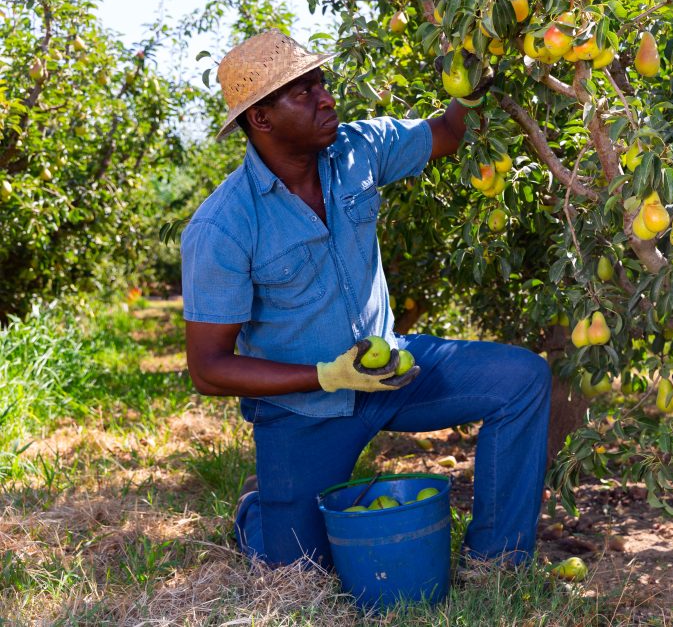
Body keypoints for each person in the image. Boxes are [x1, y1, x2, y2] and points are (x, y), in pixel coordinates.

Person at [181, 29, 551, 571]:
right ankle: (257, 516)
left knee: (522, 379)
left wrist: (472, 78)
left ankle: (498, 559)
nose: (326, 98)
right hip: (304, 407)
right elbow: (208, 369)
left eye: (320, 83)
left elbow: (449, 131)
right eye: (302, 92)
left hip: (392, 369)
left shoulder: (358, 149)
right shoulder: (224, 225)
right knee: (300, 570)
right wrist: (330, 374)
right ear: (260, 119)